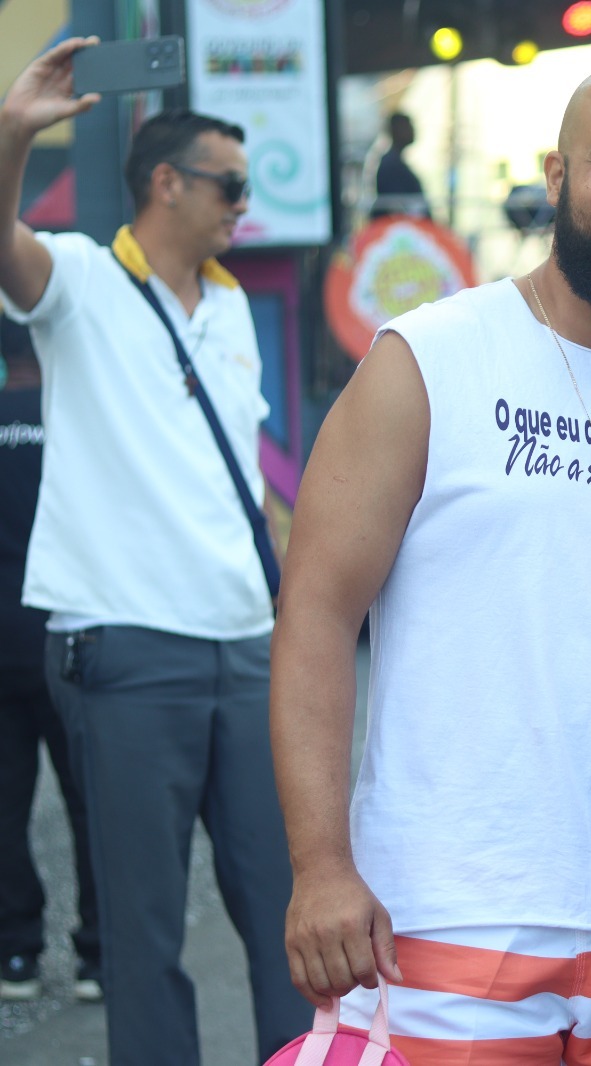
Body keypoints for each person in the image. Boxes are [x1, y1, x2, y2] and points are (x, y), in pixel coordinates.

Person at [270, 59, 591, 1063]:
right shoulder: (430, 357)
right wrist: (320, 864)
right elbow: (315, 610)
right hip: (445, 915)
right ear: (556, 172)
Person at [0, 39, 303, 1063]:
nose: (242, 205)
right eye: (228, 186)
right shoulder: (82, 278)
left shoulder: (228, 306)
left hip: (246, 646)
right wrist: (12, 131)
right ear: (164, 183)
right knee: (144, 928)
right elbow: (6, 248)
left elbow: (243, 480)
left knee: (286, 912)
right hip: (127, 649)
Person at [0, 321, 99, 1004]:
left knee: (5, 807)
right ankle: (97, 954)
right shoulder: (75, 427)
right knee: (89, 803)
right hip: (66, 645)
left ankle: (17, 953)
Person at [370, 111, 429, 220]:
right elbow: (396, 204)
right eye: (408, 126)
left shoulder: (395, 162)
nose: (413, 130)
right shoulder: (390, 165)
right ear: (396, 130)